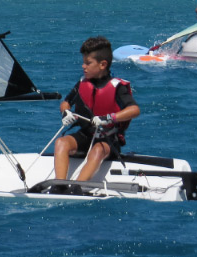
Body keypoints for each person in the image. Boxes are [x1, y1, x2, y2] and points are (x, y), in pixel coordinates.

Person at [53, 36, 140, 185]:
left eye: (88, 63)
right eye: (83, 62)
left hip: (108, 140)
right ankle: (60, 185)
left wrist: (109, 118)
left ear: (102, 65)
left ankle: (78, 186)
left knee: (97, 151)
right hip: (85, 135)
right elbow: (66, 102)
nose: (83, 66)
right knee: (61, 142)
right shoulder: (82, 83)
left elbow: (134, 110)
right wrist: (66, 112)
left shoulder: (116, 87)